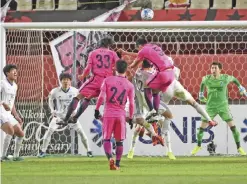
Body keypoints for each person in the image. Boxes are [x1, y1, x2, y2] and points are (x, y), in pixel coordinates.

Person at [191, 62, 247, 156]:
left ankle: (239, 148)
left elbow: (234, 79)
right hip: (210, 107)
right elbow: (202, 84)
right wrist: (201, 94)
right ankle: (198, 146)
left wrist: (241, 88)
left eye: (215, 68)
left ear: (220, 70)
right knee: (201, 128)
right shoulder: (206, 79)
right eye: (212, 68)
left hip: (223, 106)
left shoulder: (225, 78)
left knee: (233, 127)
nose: (213, 69)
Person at [61, 36, 119, 125]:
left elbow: (88, 68)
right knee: (89, 97)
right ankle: (75, 118)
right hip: (108, 82)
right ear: (108, 45)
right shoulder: (113, 53)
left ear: (99, 44)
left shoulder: (93, 53)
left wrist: (82, 75)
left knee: (78, 97)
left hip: (96, 80)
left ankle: (66, 119)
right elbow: (118, 67)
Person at [38, 73, 92, 158]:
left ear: (70, 81)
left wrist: (76, 110)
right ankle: (42, 151)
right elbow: (50, 100)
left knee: (81, 132)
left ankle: (89, 151)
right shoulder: (55, 91)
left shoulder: (75, 91)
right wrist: (52, 110)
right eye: (64, 80)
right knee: (49, 131)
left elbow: (79, 101)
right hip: (59, 117)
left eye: (67, 80)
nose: (65, 81)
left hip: (71, 117)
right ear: (61, 81)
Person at [94, 60, 135, 170]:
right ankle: (117, 164)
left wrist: (97, 109)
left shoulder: (107, 80)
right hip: (121, 115)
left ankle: (110, 159)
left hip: (108, 114)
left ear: (115, 69)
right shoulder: (130, 85)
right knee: (119, 141)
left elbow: (101, 97)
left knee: (106, 139)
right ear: (126, 70)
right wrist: (130, 117)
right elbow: (131, 103)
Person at [1, 64, 24, 161]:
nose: (15, 72)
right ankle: (3, 156)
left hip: (8, 113)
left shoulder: (15, 86)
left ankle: (16, 156)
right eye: (12, 71)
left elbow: (12, 102)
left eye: (16, 70)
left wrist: (16, 115)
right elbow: (5, 102)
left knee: (20, 134)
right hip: (0, 112)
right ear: (7, 73)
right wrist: (2, 103)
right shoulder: (2, 83)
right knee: (10, 131)